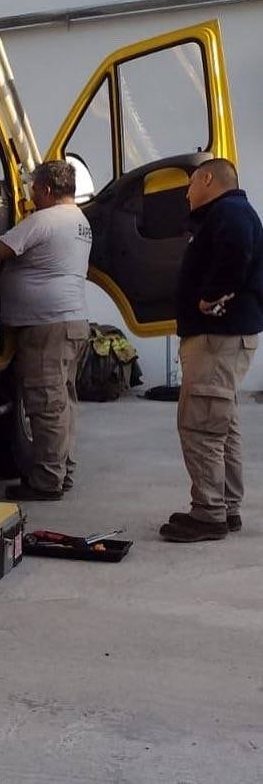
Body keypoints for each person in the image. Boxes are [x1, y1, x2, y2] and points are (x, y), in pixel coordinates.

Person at [160, 158, 263, 542]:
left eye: (190, 184)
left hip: (216, 339)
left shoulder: (230, 212)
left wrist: (210, 296)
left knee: (202, 424)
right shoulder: (232, 212)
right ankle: (226, 505)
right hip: (225, 339)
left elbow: (236, 250)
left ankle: (208, 513)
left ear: (207, 179)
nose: (187, 193)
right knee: (222, 423)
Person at [0, 159, 92, 501]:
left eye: (34, 189)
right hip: (71, 323)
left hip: (47, 327)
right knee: (63, 402)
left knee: (47, 404)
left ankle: (47, 481)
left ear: (48, 190)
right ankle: (62, 471)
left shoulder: (43, 220)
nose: (31, 196)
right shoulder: (80, 221)